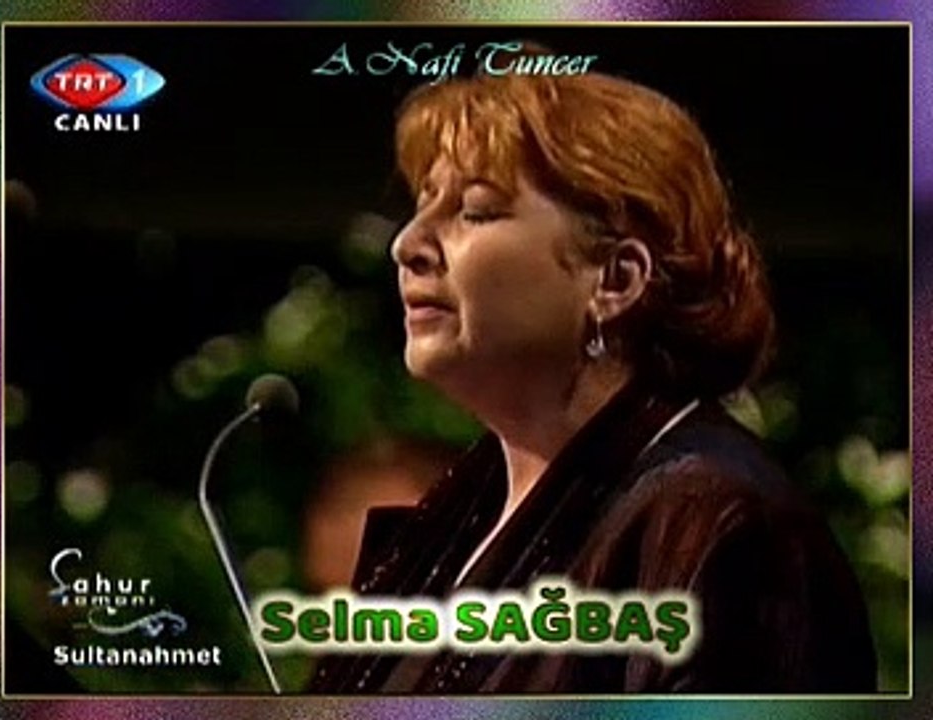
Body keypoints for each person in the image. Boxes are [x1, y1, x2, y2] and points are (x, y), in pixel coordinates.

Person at [309, 61, 877, 693]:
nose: (407, 244)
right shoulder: (459, 511)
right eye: (422, 205)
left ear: (615, 279)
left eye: (474, 211)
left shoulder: (725, 525)